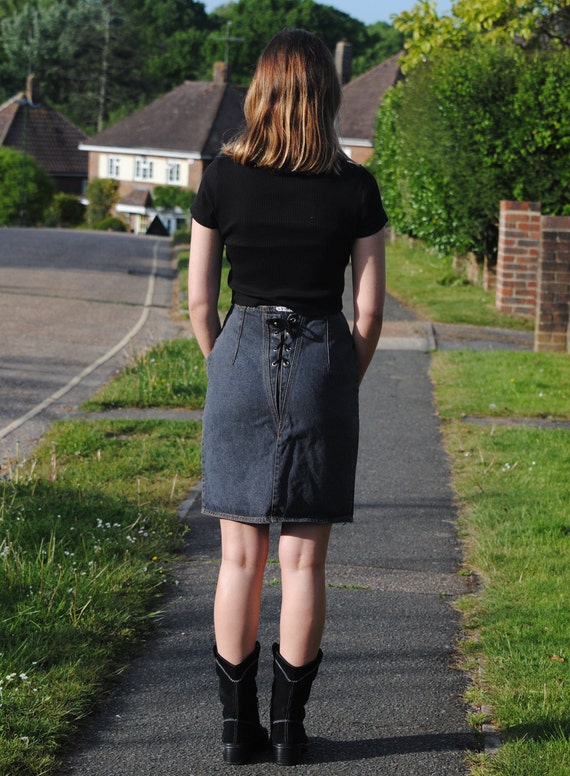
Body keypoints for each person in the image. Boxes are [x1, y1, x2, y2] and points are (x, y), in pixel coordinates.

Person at [188, 28, 387, 767]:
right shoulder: (355, 186)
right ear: (327, 97)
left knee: (239, 560)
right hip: (321, 362)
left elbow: (200, 305)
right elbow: (368, 313)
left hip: (239, 356)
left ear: (259, 92)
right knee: (304, 563)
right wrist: (339, 378)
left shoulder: (222, 176)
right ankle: (289, 734)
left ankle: (237, 733)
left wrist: (227, 370)